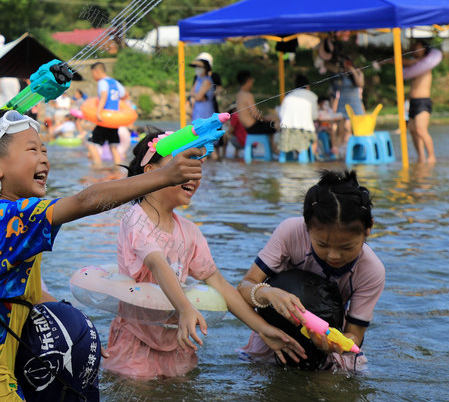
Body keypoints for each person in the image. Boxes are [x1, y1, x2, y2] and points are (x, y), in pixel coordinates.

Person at [0, 110, 205, 402]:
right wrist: (163, 176)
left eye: (44, 149)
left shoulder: (7, 222)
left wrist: (83, 337)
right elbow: (87, 199)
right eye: (32, 150)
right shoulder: (9, 218)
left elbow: (33, 296)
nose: (44, 158)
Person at [103, 134, 304, 379]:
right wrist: (186, 308)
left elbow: (218, 282)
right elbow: (156, 263)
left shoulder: (189, 231)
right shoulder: (135, 219)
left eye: (196, 167)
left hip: (177, 340)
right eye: (182, 165)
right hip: (136, 339)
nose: (194, 176)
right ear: (150, 172)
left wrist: (262, 329)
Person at [238, 170, 384, 371]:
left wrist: (338, 343)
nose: (334, 255)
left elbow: (355, 334)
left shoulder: (371, 270)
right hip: (274, 330)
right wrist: (268, 293)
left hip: (327, 337)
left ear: (368, 229)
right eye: (322, 244)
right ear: (307, 226)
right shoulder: (290, 232)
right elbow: (244, 288)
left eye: (347, 247)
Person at [403, 39, 438, 163]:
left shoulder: (425, 63)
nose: (414, 49)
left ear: (424, 49)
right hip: (413, 102)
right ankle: (421, 157)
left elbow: (407, 61)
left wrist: (392, 60)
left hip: (423, 101)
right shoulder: (415, 66)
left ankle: (432, 156)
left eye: (417, 47)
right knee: (412, 131)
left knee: (420, 130)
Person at [87, 62, 126, 166]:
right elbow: (123, 94)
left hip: (105, 118)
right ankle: (119, 169)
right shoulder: (115, 82)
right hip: (115, 119)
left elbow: (104, 95)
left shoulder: (102, 82)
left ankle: (98, 167)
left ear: (97, 71)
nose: (93, 76)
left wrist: (98, 112)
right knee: (113, 146)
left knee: (91, 144)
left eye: (93, 73)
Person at [235, 70, 279, 152]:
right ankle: (279, 149)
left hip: (248, 127)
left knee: (272, 120)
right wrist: (266, 118)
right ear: (248, 80)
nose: (252, 82)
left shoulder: (239, 94)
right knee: (277, 122)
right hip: (254, 127)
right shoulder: (248, 95)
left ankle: (272, 147)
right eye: (252, 80)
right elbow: (256, 114)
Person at [277, 73, 319, 156]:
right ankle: (313, 157)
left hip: (286, 132)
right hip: (305, 131)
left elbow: (281, 115)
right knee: (315, 139)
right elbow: (315, 116)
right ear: (308, 86)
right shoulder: (312, 96)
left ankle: (296, 156)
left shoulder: (288, 96)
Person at [188, 52, 216, 121]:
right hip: (197, 110)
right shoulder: (198, 79)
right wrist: (198, 95)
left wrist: (197, 95)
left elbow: (198, 97)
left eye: (199, 67)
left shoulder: (207, 81)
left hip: (205, 111)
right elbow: (191, 93)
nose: (197, 68)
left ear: (205, 68)